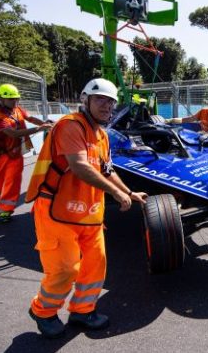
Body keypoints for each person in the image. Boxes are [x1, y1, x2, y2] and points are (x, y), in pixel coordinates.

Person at [25, 78, 148, 338]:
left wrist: (128, 191)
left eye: (111, 101)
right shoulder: (70, 126)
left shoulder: (102, 135)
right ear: (85, 100)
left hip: (90, 213)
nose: (106, 105)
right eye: (100, 99)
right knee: (65, 268)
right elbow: (80, 166)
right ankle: (43, 311)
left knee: (95, 264)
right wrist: (115, 192)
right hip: (57, 211)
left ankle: (82, 309)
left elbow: (107, 170)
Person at [0, 83, 53, 223]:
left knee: (13, 181)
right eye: (11, 99)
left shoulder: (17, 109)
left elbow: (31, 119)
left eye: (16, 99)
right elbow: (13, 134)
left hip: (14, 153)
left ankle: (5, 210)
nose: (15, 102)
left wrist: (47, 124)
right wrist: (39, 129)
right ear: (2, 99)